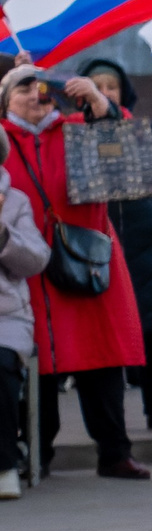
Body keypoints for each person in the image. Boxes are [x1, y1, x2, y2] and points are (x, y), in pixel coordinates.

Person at [0, 65, 148, 479]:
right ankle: (37, 453)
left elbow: (127, 163)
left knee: (101, 359)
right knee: (37, 362)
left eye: (41, 85)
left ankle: (115, 452)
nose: (36, 93)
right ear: (5, 100)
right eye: (23, 87)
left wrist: (102, 106)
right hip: (24, 263)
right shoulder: (1, 140)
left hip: (85, 259)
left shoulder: (80, 128)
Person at [84, 59, 152, 435]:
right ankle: (108, 427)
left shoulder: (145, 131)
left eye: (110, 86)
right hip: (94, 249)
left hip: (145, 249)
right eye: (97, 86)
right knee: (103, 337)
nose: (105, 93)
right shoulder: (76, 133)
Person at [0, 122, 50, 498]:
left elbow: (36, 259)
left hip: (6, 316)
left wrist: (3, 234)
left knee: (0, 367)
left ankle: (3, 467)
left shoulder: (15, 202)